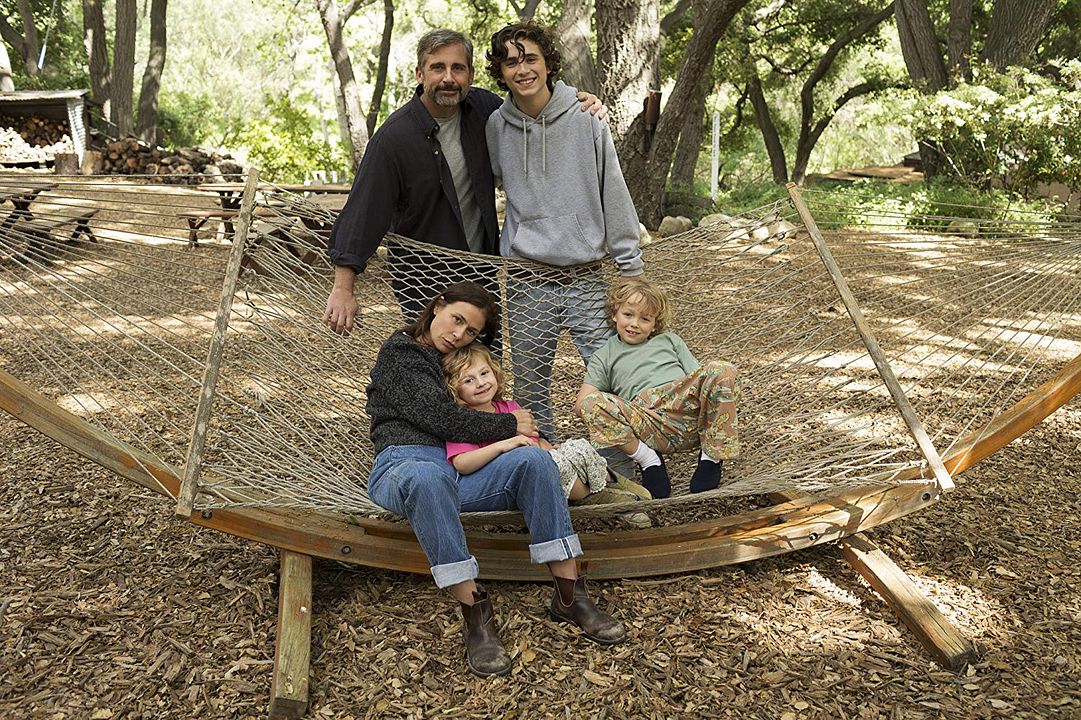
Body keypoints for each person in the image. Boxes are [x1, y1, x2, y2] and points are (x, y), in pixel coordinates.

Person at [365, 280, 627, 679]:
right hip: (405, 465)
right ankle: (476, 614)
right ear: (437, 306)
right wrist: (508, 423)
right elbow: (438, 418)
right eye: (456, 320)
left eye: (470, 331)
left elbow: (477, 407)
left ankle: (570, 594)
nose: (458, 335)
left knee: (533, 462)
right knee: (428, 478)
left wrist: (521, 434)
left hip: (460, 470)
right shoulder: (402, 352)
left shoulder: (458, 361)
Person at [324, 28, 606, 335]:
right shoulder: (394, 139)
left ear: (470, 75)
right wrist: (343, 289)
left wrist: (576, 101)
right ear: (420, 74)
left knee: (484, 368)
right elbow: (364, 211)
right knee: (437, 367)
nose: (448, 78)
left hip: (480, 273)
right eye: (437, 68)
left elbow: (533, 105)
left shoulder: (486, 111)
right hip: (424, 279)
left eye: (458, 68)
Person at [484, 21, 644, 441]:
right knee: (531, 389)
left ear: (548, 63)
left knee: (609, 379)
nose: (522, 70)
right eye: (511, 62)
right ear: (501, 72)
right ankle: (552, 470)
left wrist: (631, 270)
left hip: (585, 277)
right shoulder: (496, 127)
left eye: (530, 59)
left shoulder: (586, 117)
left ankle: (618, 473)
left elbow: (614, 190)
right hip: (526, 279)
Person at [574, 278, 742, 499]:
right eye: (628, 315)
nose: (634, 323)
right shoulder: (604, 356)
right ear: (614, 314)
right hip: (647, 422)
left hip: (689, 414)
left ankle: (711, 456)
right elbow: (581, 405)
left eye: (645, 319)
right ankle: (649, 460)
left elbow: (702, 381)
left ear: (655, 324)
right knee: (590, 403)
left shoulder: (669, 341)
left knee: (722, 370)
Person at [440, 343, 650, 503]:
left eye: (484, 373)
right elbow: (462, 464)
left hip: (538, 461)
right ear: (455, 391)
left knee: (578, 447)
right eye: (468, 380)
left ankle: (613, 482)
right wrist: (503, 445)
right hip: (502, 477)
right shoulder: (461, 420)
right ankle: (593, 498)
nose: (481, 383)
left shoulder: (510, 407)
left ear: (494, 373)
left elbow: (534, 439)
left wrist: (548, 446)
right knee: (555, 465)